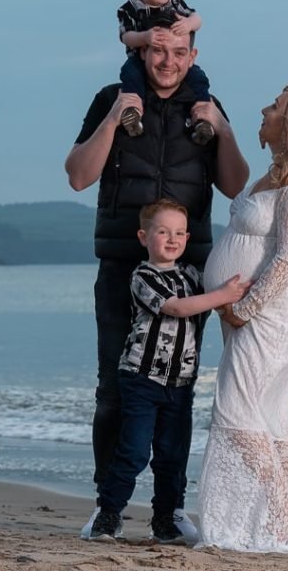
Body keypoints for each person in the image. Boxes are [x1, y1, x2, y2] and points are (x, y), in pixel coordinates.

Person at [65, 33, 249, 542]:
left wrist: (224, 130)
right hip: (123, 265)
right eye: (158, 50)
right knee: (114, 388)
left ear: (193, 56)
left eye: (178, 52)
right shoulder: (112, 99)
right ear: (141, 53)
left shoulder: (206, 107)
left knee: (176, 389)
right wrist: (114, 116)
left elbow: (234, 186)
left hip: (190, 269)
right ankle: (108, 506)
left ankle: (169, 511)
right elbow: (79, 177)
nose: (168, 61)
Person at [197, 85, 288, 553]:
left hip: (274, 313)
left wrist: (243, 308)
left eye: (275, 106)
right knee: (270, 417)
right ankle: (275, 526)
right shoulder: (277, 175)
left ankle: (278, 526)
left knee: (238, 408)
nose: (265, 110)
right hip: (252, 310)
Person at [86, 199, 250, 545]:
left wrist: (231, 297)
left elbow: (210, 298)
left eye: (179, 233)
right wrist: (222, 294)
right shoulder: (144, 276)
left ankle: (165, 520)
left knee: (172, 456)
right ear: (144, 236)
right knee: (133, 451)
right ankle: (108, 515)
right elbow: (176, 308)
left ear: (188, 237)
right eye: (163, 232)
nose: (172, 239)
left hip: (180, 383)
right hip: (142, 378)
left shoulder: (191, 275)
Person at [117, 0, 214, 145]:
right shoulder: (130, 9)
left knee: (198, 77)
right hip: (140, 58)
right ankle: (133, 112)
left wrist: (188, 24)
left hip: (160, 58)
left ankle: (202, 118)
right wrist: (145, 37)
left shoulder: (175, 1)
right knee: (130, 75)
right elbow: (126, 37)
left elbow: (197, 18)